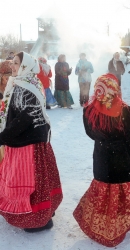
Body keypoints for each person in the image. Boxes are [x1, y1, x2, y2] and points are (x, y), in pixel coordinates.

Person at [73, 73, 130, 247]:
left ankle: (101, 225)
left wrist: (105, 140)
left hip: (102, 161)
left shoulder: (88, 110)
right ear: (113, 90)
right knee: (120, 196)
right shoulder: (124, 111)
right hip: (124, 162)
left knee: (104, 193)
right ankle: (118, 225)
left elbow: (91, 134)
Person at [0, 51, 63, 232]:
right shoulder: (20, 82)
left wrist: (3, 136)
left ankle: (37, 218)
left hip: (29, 144)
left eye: (16, 63)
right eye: (12, 63)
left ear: (25, 66)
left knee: (32, 180)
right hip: (24, 140)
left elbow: (24, 118)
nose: (12, 66)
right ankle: (41, 212)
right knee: (37, 180)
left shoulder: (28, 86)